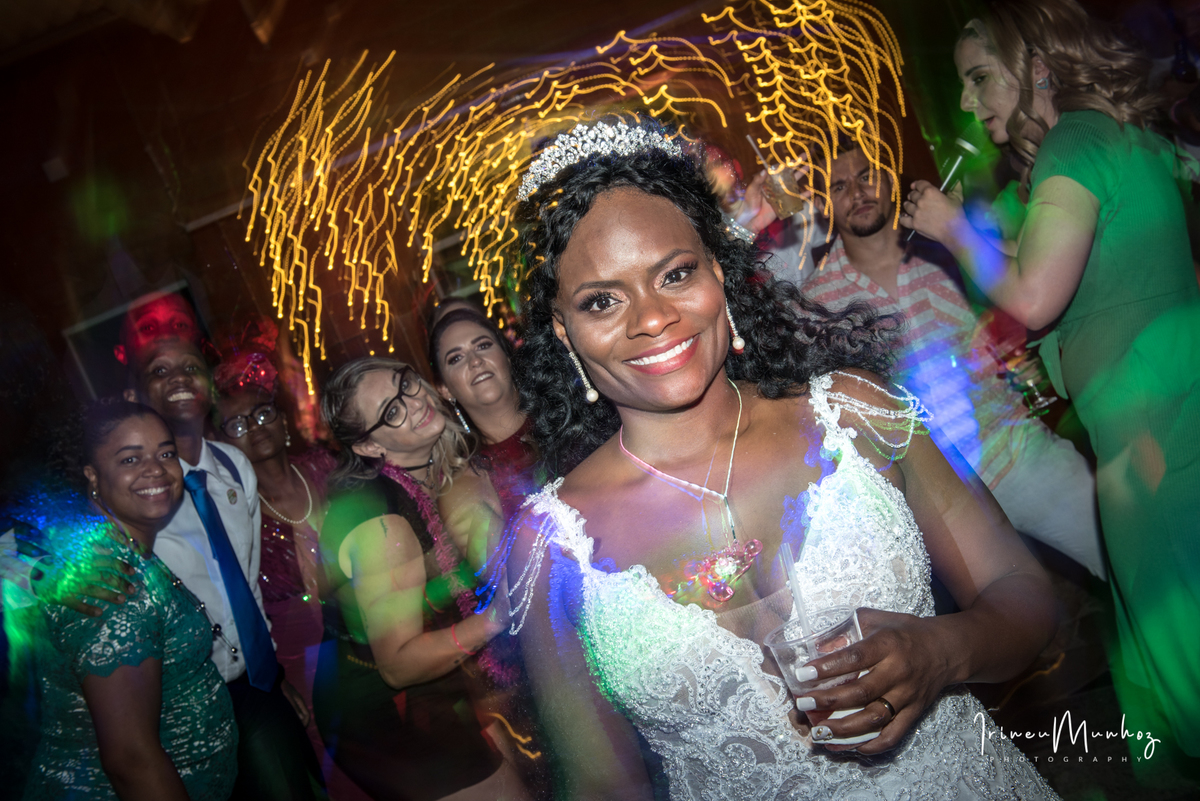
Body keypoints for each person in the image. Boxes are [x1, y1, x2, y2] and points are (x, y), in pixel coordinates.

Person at [503, 118, 1060, 798]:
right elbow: (599, 786)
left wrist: (942, 651)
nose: (651, 317)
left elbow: (1025, 593)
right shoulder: (552, 546)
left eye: (675, 273)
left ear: (718, 270)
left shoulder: (854, 414)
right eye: (602, 300)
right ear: (565, 331)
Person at [902, 0, 1200, 770]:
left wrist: (953, 230)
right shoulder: (1115, 135)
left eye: (978, 78)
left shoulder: (1073, 139)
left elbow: (1035, 295)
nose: (968, 103)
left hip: (1159, 442)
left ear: (1035, 67)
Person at [800, 144, 1105, 579]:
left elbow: (1031, 295)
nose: (858, 192)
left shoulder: (949, 247)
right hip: (938, 499)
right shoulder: (815, 304)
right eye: (839, 186)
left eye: (867, 175)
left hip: (1015, 453)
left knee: (1132, 558)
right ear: (822, 203)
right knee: (1008, 632)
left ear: (889, 178)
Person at [122, 337, 326, 801]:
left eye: (190, 366)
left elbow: (247, 581)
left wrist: (271, 674)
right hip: (185, 702)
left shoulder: (234, 467)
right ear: (136, 396)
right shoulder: (134, 487)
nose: (177, 377)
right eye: (159, 371)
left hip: (256, 686)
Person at [316, 357, 527, 801]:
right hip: (385, 712)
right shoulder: (383, 523)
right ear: (370, 447)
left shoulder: (432, 471)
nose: (413, 402)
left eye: (405, 383)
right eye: (391, 411)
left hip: (438, 687)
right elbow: (398, 664)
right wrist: (498, 617)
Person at [26, 400, 236, 800]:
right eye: (129, 459)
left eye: (166, 453)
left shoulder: (123, 551)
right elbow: (130, 761)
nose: (155, 468)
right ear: (93, 477)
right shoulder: (108, 583)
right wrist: (32, 570)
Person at [213, 346, 367, 800]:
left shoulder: (325, 468)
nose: (255, 429)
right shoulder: (231, 513)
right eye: (237, 425)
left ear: (282, 421)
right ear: (222, 443)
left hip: (369, 633)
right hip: (303, 665)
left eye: (262, 414)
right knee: (348, 774)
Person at [428, 307, 542, 524]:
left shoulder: (569, 416)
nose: (475, 361)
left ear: (507, 357)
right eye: (456, 358)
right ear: (444, 389)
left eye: (483, 345)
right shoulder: (465, 487)